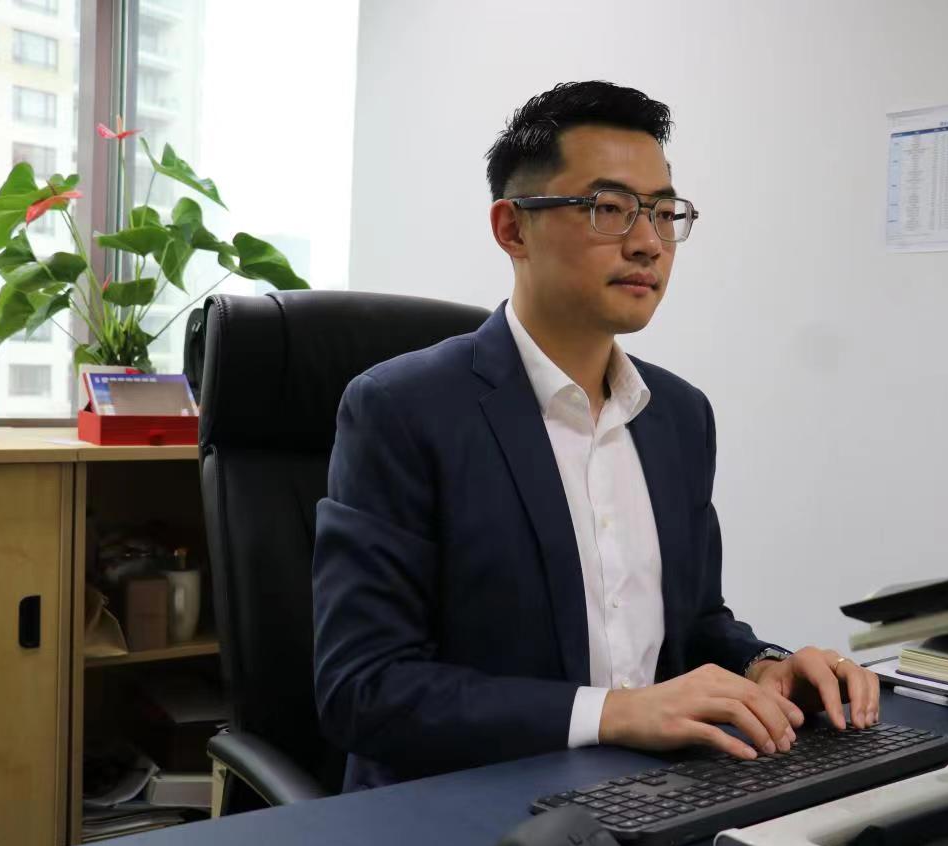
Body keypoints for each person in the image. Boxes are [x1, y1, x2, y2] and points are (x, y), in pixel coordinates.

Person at [312, 81, 880, 791]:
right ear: (513, 229)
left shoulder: (678, 415)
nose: (647, 243)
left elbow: (695, 624)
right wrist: (614, 713)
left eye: (664, 213)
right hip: (467, 803)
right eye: (608, 208)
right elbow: (364, 688)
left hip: (648, 796)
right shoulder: (401, 410)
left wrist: (764, 665)